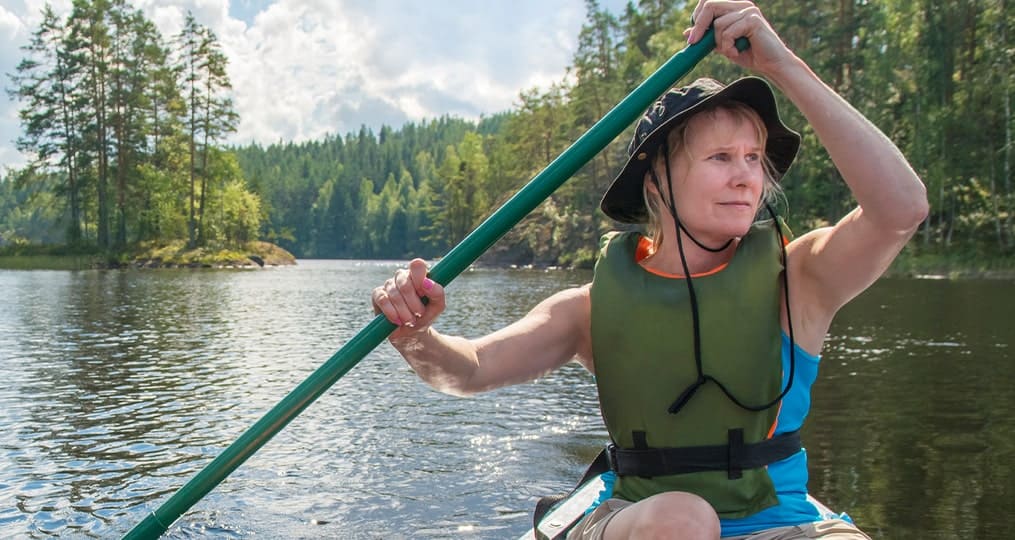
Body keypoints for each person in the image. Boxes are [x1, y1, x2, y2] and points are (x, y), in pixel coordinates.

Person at [371, 1, 928, 538]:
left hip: (778, 521)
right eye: (720, 158)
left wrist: (780, 65)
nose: (746, 177)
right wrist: (414, 335)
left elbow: (901, 210)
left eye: (753, 158)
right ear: (657, 182)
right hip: (639, 516)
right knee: (685, 522)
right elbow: (466, 371)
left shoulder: (799, 278)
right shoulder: (587, 308)